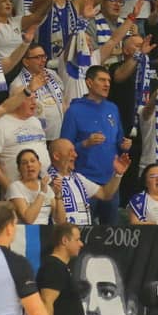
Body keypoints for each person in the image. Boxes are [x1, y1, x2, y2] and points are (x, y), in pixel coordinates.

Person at [60, 65, 132, 224]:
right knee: (84, 231)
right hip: (84, 181)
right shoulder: (74, 111)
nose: (107, 84)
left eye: (109, 81)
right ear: (89, 83)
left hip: (110, 181)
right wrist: (85, 143)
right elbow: (63, 149)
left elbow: (119, 139)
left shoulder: (112, 108)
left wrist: (125, 144)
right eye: (102, 80)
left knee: (111, 232)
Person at [34, 222, 85, 315]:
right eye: (77, 240)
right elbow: (46, 302)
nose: (81, 244)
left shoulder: (61, 267)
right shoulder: (53, 267)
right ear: (64, 241)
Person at [7, 149, 66, 225]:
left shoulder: (46, 187)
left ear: (39, 165)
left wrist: (58, 195)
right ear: (19, 169)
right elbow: (28, 219)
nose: (29, 165)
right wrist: (42, 193)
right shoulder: (15, 187)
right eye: (24, 163)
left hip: (44, 230)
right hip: (25, 231)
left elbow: (61, 221)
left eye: (33, 161)